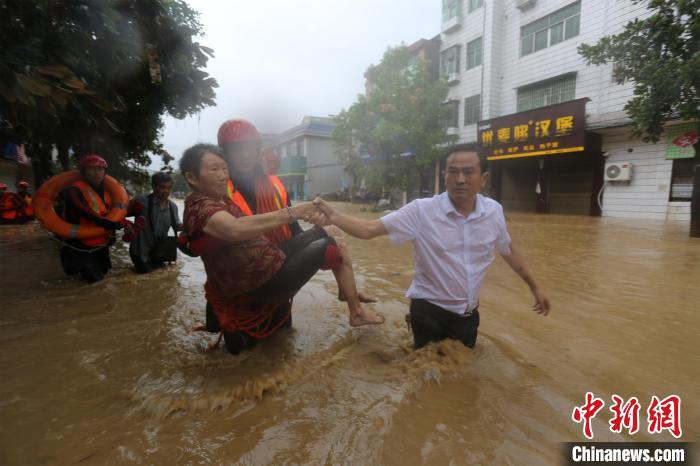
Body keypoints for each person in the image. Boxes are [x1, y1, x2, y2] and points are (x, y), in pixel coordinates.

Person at [314, 143, 551, 350]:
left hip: (468, 315)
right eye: (453, 172)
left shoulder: (493, 212)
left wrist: (535, 287)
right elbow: (368, 230)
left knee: (462, 378)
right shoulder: (421, 211)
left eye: (468, 172)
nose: (460, 179)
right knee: (427, 379)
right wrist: (333, 215)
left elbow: (508, 250)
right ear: (444, 175)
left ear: (484, 178)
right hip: (429, 312)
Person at [180, 144, 384, 355]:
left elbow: (285, 225)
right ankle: (356, 310)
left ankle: (349, 296)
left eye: (224, 168)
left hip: (269, 256)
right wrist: (296, 212)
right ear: (192, 178)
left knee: (332, 230)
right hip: (258, 278)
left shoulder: (226, 197)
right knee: (331, 244)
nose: (223, 175)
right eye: (214, 169)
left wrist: (306, 216)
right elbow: (234, 229)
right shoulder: (201, 206)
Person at [59, 154, 125, 283]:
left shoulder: (108, 191)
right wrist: (107, 223)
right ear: (84, 171)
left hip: (102, 242)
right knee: (92, 282)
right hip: (82, 244)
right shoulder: (74, 190)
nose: (97, 173)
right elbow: (82, 210)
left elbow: (117, 210)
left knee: (104, 277)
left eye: (100, 169)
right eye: (92, 169)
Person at [125, 172, 183, 273]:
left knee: (159, 280)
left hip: (160, 251)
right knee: (146, 278)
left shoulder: (173, 207)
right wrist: (128, 226)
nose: (166, 191)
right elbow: (120, 215)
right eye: (162, 187)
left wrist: (194, 225)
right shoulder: (141, 201)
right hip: (140, 250)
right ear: (153, 186)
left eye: (169, 188)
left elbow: (177, 226)